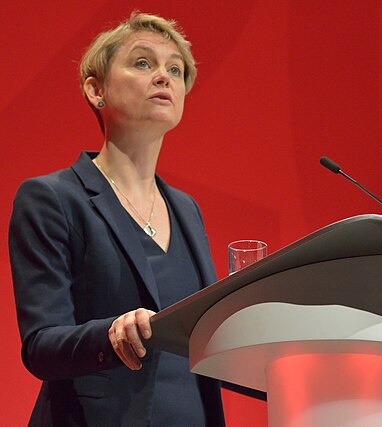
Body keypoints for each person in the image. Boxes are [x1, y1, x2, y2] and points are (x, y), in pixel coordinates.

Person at [9, 12, 226, 426]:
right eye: (143, 62)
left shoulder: (186, 209)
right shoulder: (53, 199)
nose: (163, 76)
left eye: (175, 69)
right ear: (95, 90)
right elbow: (40, 345)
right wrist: (110, 333)